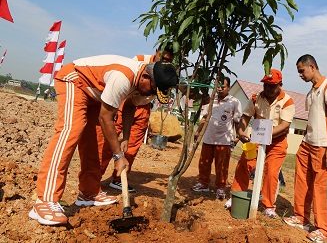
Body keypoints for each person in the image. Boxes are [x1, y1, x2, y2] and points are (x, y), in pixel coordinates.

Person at [28, 55, 178, 226]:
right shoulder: (123, 77)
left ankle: (89, 193)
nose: (151, 95)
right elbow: (106, 117)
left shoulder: (144, 83)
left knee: (96, 139)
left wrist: (126, 138)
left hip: (95, 95)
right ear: (145, 77)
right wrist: (118, 156)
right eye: (152, 90)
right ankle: (45, 200)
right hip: (75, 80)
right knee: (71, 129)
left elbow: (129, 105)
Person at [283, 54, 327, 243]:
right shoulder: (311, 93)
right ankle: (301, 217)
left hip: (324, 147)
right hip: (308, 144)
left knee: (321, 187)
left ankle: (323, 229)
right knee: (302, 181)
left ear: (312, 67)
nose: (300, 75)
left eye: (302, 71)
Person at [98, 48, 174, 193]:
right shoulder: (139, 60)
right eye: (162, 58)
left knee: (132, 146)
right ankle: (96, 178)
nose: (165, 62)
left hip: (143, 107)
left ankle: (119, 178)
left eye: (168, 60)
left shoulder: (168, 71)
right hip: (126, 104)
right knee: (110, 140)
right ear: (157, 51)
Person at [225, 68, 295, 218]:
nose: (268, 89)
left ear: (280, 85)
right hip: (257, 139)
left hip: (277, 142)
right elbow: (245, 117)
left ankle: (269, 206)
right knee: (243, 165)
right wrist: (241, 132)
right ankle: (236, 196)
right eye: (266, 85)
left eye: (272, 85)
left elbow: (284, 125)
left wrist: (266, 135)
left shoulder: (287, 101)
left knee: (271, 171)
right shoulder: (256, 98)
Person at [192, 76, 242, 200]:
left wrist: (238, 137)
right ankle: (203, 183)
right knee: (204, 163)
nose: (219, 89)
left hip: (224, 140)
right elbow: (204, 118)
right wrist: (198, 131)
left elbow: (237, 121)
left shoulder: (234, 102)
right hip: (208, 137)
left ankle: (220, 187)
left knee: (222, 165)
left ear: (229, 87)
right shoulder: (210, 100)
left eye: (223, 86)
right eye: (217, 86)